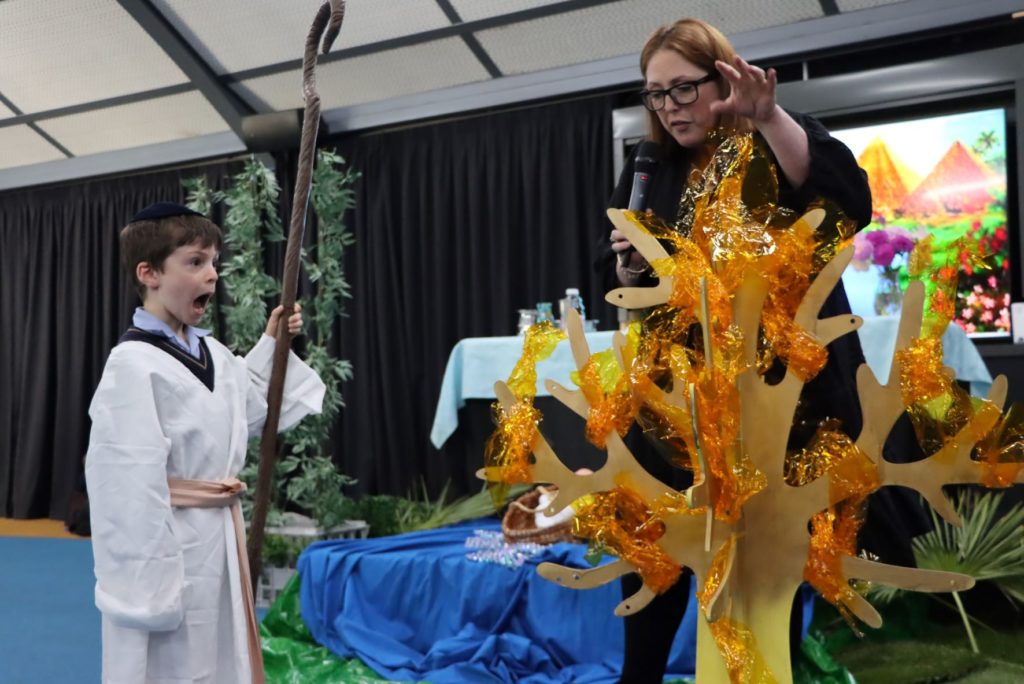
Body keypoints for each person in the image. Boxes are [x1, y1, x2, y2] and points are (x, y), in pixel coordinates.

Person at [594, 18, 926, 683]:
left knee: (777, 562)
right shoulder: (647, 166)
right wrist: (626, 265)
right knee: (654, 542)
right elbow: (622, 286)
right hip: (679, 399)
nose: (669, 108)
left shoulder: (777, 138)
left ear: (723, 77)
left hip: (782, 404)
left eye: (682, 89)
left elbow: (844, 204)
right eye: (655, 94)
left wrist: (770, 120)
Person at [85, 202, 326, 684]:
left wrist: (272, 344)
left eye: (214, 262)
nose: (212, 275)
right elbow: (124, 481)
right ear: (149, 272)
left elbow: (248, 410)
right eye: (195, 262)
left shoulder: (212, 352)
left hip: (219, 536)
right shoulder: (132, 364)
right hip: (171, 547)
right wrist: (147, 585)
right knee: (172, 662)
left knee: (218, 656)